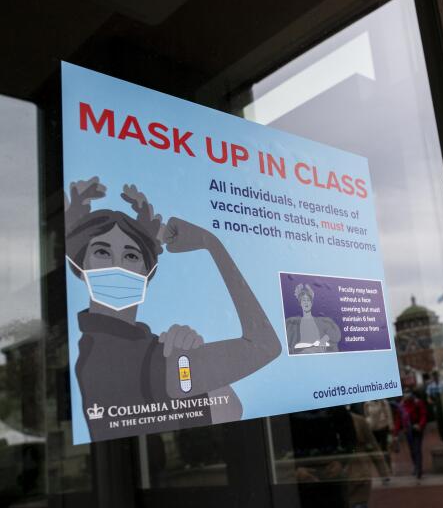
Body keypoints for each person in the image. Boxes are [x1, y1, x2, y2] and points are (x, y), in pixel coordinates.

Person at [65, 178, 281, 441]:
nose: (117, 266)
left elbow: (229, 410)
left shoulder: (134, 346)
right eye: (102, 252)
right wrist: (212, 244)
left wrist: (193, 361)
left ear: (148, 270)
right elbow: (265, 345)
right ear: (79, 265)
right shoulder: (126, 355)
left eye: (131, 256)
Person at [346, 406, 390, 508]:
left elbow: (373, 447)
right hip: (346, 477)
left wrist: (384, 473)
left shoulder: (358, 421)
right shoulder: (357, 421)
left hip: (358, 476)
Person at [285, 283, 341, 354]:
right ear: (300, 303)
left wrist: (324, 339)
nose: (306, 303)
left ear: (311, 303)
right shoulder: (292, 323)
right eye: (303, 300)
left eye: (308, 300)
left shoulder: (323, 322)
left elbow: (336, 333)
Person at [393, 388, 427, 481]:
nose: (407, 395)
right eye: (405, 394)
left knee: (417, 449)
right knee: (412, 449)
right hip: (408, 430)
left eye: (408, 393)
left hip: (416, 429)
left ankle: (419, 470)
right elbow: (398, 420)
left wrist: (420, 425)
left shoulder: (417, 402)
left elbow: (423, 414)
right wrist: (395, 434)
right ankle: (416, 466)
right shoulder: (401, 406)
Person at [363, 399, 393, 467]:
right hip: (373, 429)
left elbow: (389, 415)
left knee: (384, 448)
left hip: (383, 427)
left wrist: (391, 428)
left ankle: (388, 466)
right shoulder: (367, 404)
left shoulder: (384, 402)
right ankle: (381, 467)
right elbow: (367, 416)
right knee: (376, 449)